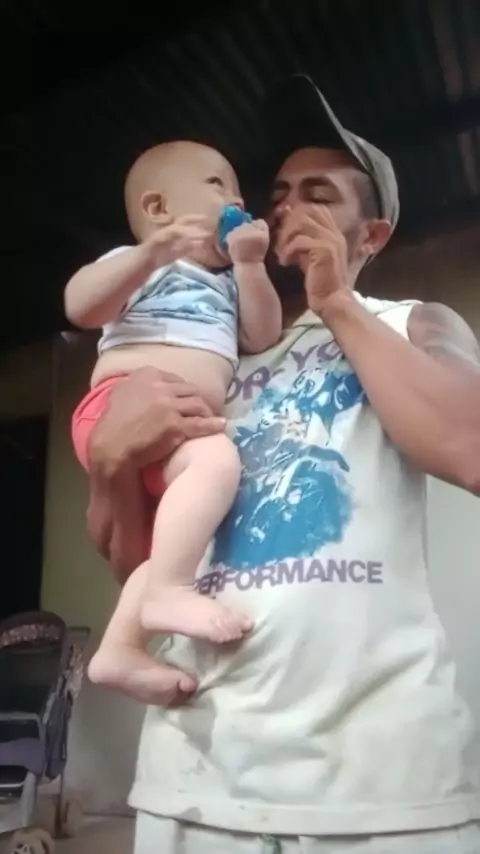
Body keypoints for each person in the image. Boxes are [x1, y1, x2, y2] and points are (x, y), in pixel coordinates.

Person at [85, 75, 480, 852]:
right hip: (195, 773)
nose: (288, 206)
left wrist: (336, 302)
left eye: (320, 194)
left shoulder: (412, 324)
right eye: (279, 193)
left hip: (381, 784)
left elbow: (471, 449)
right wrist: (107, 462)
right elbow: (138, 565)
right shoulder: (206, 358)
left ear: (373, 236)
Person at [65, 141, 282, 702]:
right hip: (118, 407)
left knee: (169, 545)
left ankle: (121, 649)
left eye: (238, 190)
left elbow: (262, 335)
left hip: (179, 439)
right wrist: (148, 256)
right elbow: (80, 307)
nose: (237, 199)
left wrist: (250, 265)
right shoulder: (140, 264)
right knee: (217, 463)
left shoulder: (229, 283)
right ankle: (169, 593)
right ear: (159, 209)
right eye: (218, 184)